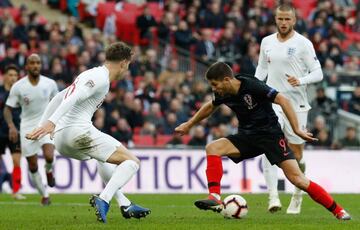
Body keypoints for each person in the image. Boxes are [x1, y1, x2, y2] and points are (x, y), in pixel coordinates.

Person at [174, 62, 351, 221]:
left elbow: (283, 99)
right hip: (247, 136)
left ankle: (339, 211)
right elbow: (210, 106)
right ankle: (214, 196)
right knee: (213, 147)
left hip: (271, 136)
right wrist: (189, 124)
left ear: (227, 79)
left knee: (298, 180)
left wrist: (296, 129)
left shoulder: (252, 85)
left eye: (215, 84)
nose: (214, 89)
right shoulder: (224, 92)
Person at [26, 42, 150, 223]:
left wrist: (43, 125)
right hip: (77, 131)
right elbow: (73, 97)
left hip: (62, 139)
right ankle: (104, 199)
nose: (127, 69)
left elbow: (59, 96)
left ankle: (124, 203)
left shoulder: (92, 73)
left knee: (102, 159)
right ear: (123, 63)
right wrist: (50, 123)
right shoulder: (100, 77)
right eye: (128, 64)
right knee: (132, 162)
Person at [255, 4, 324, 214]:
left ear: (294, 20)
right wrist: (252, 90)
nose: (283, 23)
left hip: (297, 105)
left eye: (287, 19)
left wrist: (301, 80)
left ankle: (297, 193)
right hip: (273, 102)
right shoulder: (266, 42)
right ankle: (273, 197)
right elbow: (261, 70)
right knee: (268, 145)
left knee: (297, 154)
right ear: (275, 19)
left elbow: (318, 73)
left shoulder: (303, 43)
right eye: (280, 19)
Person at [4, 55, 58, 205]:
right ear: (27, 66)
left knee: (49, 156)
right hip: (27, 127)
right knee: (33, 165)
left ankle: (48, 170)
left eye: (38, 63)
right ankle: (45, 195)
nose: (35, 65)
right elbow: (7, 109)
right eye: (32, 63)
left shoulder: (50, 84)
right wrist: (11, 126)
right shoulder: (19, 86)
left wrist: (56, 123)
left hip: (45, 125)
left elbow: (59, 103)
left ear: (41, 65)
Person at [0, 65, 25, 200]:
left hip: (15, 131)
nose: (13, 78)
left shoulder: (20, 94)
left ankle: (16, 191)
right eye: (10, 75)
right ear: (4, 76)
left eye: (15, 75)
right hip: (0, 130)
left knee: (16, 161)